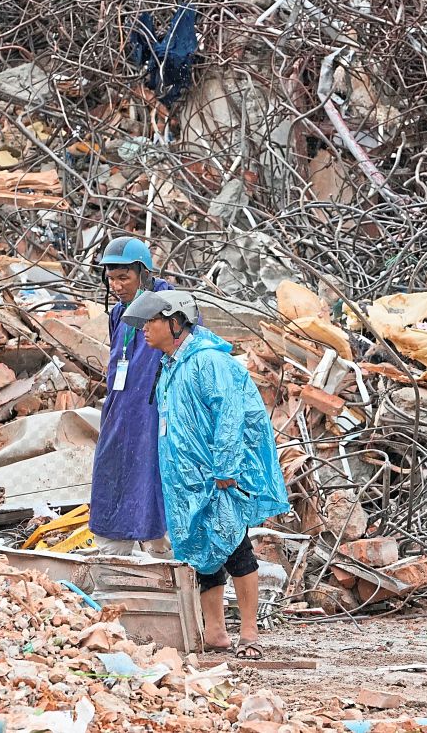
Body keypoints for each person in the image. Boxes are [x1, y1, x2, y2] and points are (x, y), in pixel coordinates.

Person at [121, 290, 290, 660]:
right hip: (185, 479)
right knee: (199, 550)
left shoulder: (207, 361)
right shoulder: (169, 365)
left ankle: (249, 632)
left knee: (234, 545)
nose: (145, 330)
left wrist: (226, 467)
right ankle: (215, 632)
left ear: (175, 322)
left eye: (151, 322)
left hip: (217, 476)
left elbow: (229, 414)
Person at [87, 237, 171, 557]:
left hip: (154, 414)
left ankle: (169, 565)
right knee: (113, 478)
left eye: (124, 277)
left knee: (154, 486)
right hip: (121, 412)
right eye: (111, 278)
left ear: (144, 274)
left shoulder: (169, 305)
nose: (117, 285)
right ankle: (114, 555)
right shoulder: (118, 313)